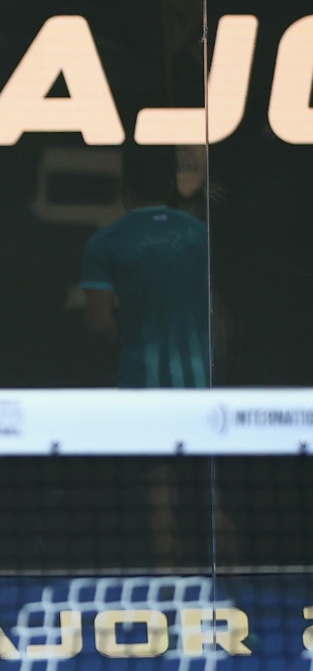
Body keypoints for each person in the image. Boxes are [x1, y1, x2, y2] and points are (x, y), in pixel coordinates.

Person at [80, 144, 237, 568]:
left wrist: (122, 354)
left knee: (161, 508)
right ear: (170, 184)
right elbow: (221, 313)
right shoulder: (201, 235)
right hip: (202, 392)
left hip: (143, 391)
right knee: (212, 504)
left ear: (125, 187)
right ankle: (246, 616)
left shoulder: (106, 242)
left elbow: (98, 323)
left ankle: (172, 616)